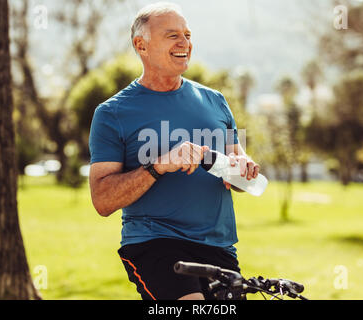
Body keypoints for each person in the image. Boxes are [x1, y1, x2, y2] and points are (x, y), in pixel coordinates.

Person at [88, 2, 260, 300]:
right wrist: (159, 166)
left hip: (219, 247)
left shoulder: (215, 101)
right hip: (156, 244)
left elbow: (239, 170)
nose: (185, 43)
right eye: (172, 35)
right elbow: (102, 201)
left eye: (188, 34)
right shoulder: (112, 113)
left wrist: (243, 170)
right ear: (141, 45)